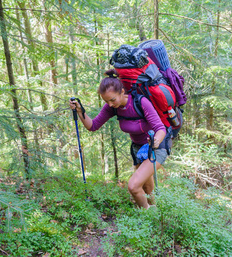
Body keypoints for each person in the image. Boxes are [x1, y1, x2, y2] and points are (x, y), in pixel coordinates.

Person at [69, 69, 172, 209]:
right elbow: (92, 126)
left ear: (122, 92)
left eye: (112, 100)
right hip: (137, 149)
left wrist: (156, 141)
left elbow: (160, 128)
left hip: (155, 147)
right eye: (107, 101)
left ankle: (147, 214)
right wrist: (80, 112)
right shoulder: (113, 107)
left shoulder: (141, 102)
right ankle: (155, 218)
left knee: (134, 186)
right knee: (147, 189)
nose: (110, 104)